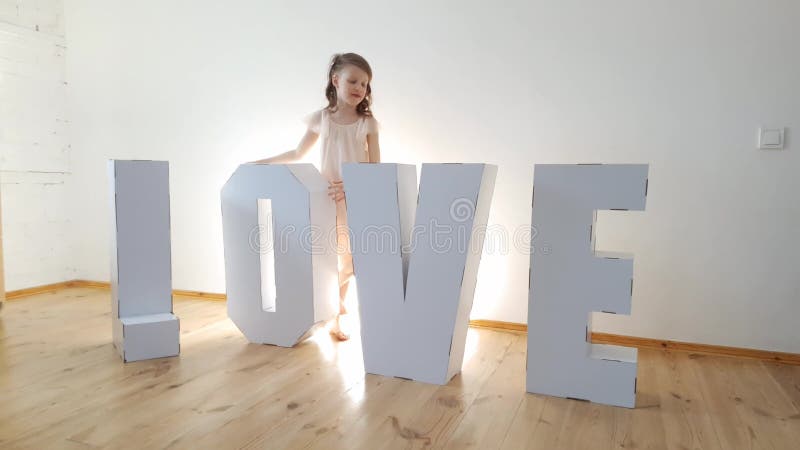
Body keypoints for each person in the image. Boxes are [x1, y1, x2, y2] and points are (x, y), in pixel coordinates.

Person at [253, 53, 381, 340]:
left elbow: (376, 170)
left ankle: (337, 317)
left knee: (348, 260)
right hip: (323, 200)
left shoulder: (367, 124)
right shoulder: (321, 119)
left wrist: (352, 186)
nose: (359, 88)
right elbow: (298, 153)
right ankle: (324, 311)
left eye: (364, 83)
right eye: (353, 80)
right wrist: (264, 161)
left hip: (353, 200)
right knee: (323, 257)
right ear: (336, 80)